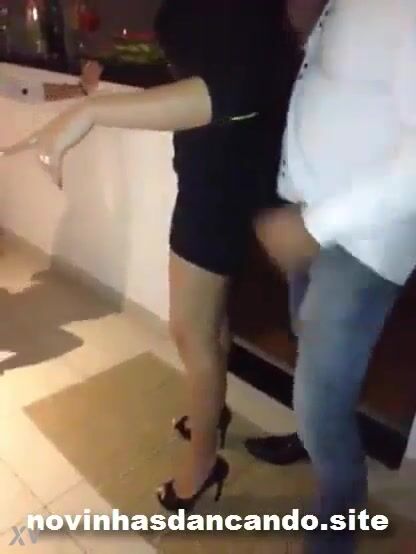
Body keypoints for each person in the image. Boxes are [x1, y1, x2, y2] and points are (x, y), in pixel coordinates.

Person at [1, 0, 314, 510]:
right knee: (205, 324)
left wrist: (89, 111)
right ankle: (210, 413)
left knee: (191, 330)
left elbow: (232, 90)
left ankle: (203, 462)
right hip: (217, 171)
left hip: (221, 181)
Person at [252, 0, 416, 552]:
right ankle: (311, 443)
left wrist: (314, 226)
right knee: (311, 368)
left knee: (321, 400)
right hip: (316, 217)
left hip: (359, 237)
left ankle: (335, 531)